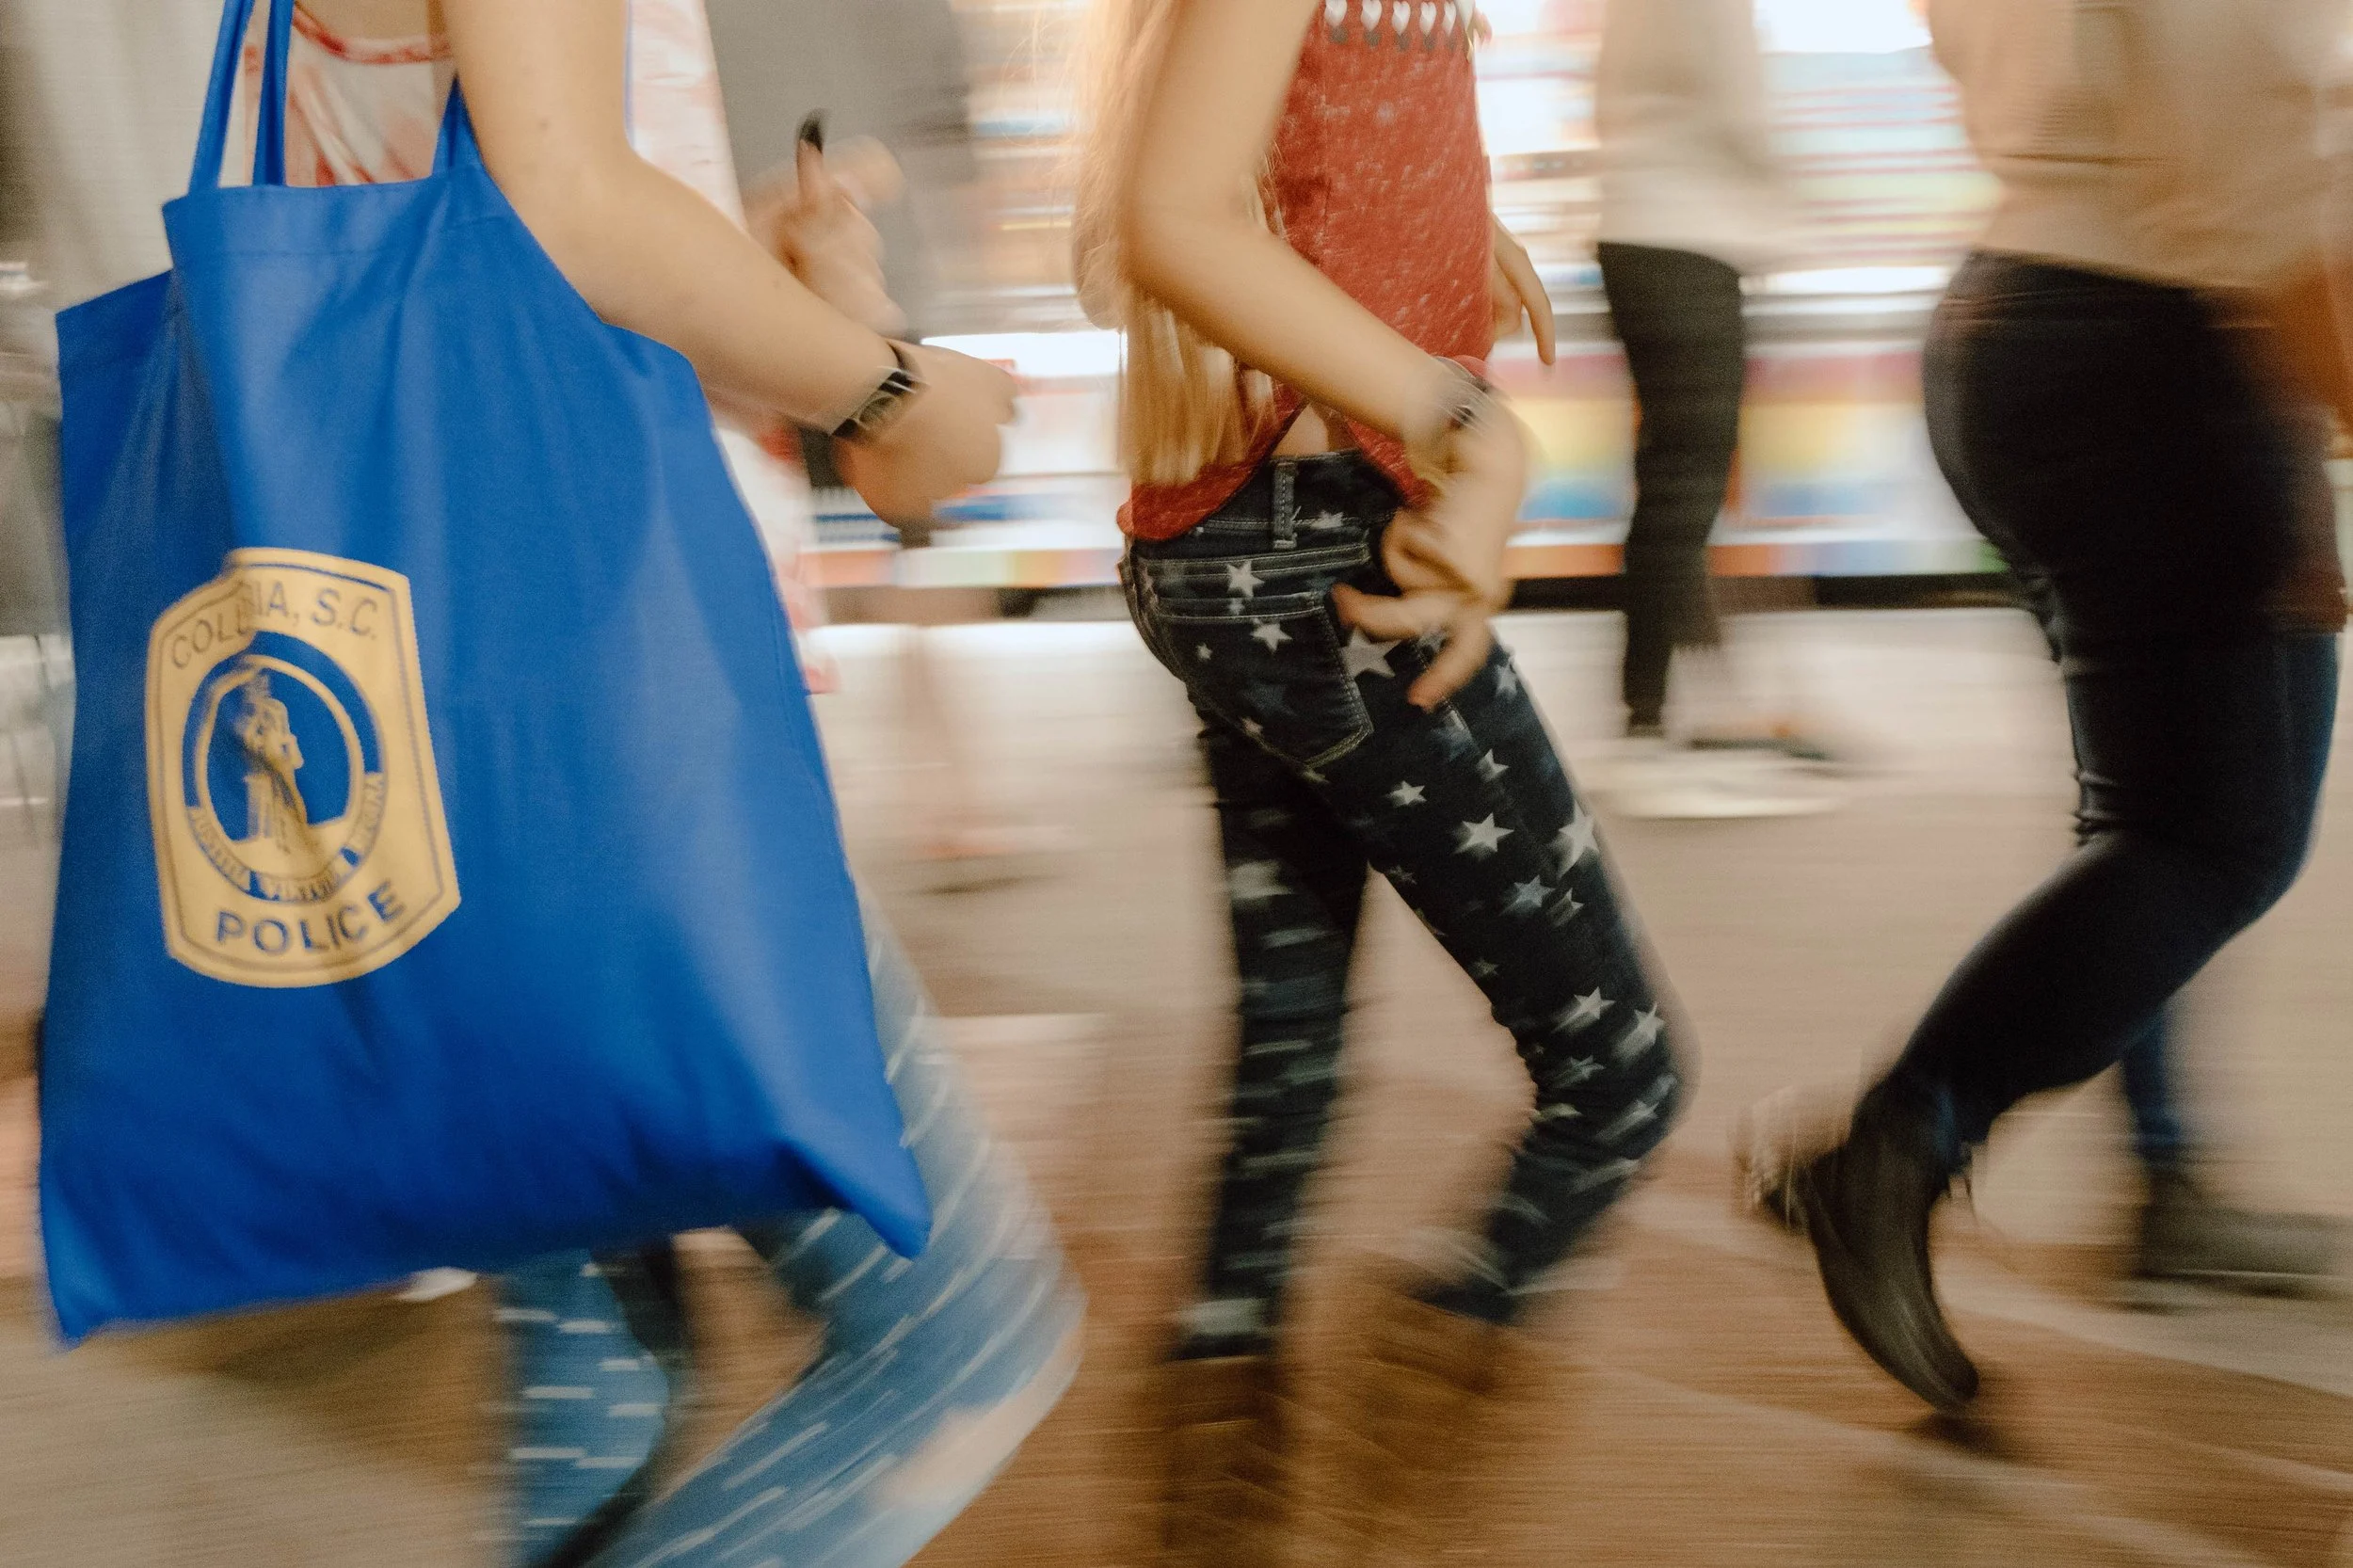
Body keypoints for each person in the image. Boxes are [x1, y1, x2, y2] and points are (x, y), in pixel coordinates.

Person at [235, 2, 1083, 1562]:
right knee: (963, 1339)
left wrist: (729, 240)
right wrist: (888, 386)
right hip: (600, 720)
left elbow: (483, 209)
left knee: (605, 1385)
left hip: (423, 713)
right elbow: (568, 206)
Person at [1074, 0, 1687, 1560]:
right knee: (1620, 1073)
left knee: (1289, 1040)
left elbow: (1290, 164)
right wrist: (1460, 418)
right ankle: (1411, 1440)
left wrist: (1446, 259)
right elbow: (1169, 219)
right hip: (1324, 560)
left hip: (1254, 551)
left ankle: (1216, 1435)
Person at [1754, 0, 2351, 1412]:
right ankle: (1897, 1140)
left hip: (2031, 323)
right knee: (2213, 841)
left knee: (2161, 828)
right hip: (2155, 354)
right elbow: (2263, 204)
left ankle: (2165, 1183)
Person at [708, 0, 1075, 885]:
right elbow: (943, 120)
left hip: (741, 274)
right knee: (911, 553)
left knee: (828, 548)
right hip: (844, 283)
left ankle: (927, 798)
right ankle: (950, 798)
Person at [1590, 0, 1832, 819]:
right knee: (1684, 494)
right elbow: (1742, 114)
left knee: (1671, 490)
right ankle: (1645, 729)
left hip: (1636, 234)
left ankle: (1674, 714)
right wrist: (1804, 213)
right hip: (1687, 244)